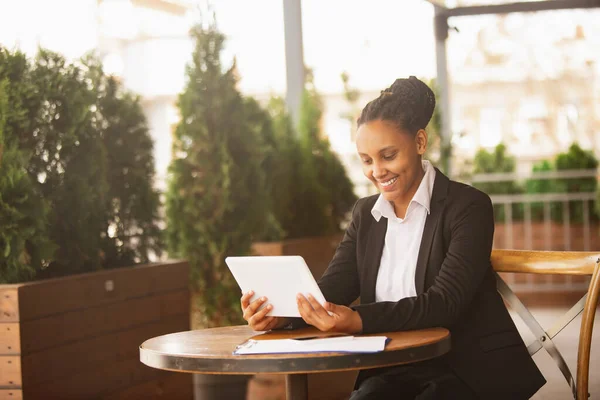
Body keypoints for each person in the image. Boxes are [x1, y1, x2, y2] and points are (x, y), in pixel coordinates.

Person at [240, 76, 546, 399]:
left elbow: (445, 303)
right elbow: (331, 290)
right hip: (391, 369)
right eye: (367, 160)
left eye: (388, 156)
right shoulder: (365, 216)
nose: (377, 171)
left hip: (466, 368)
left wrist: (357, 321)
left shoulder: (468, 208)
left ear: (420, 142)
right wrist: (281, 313)